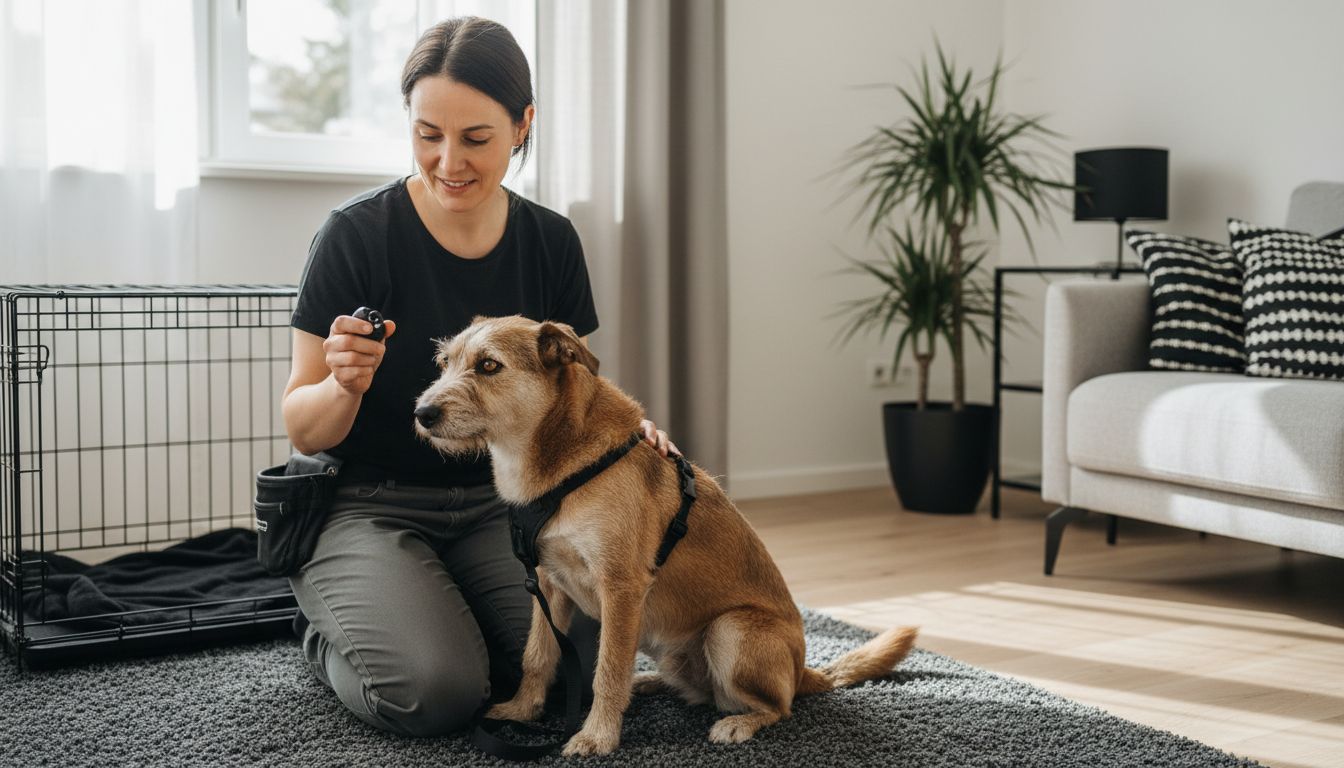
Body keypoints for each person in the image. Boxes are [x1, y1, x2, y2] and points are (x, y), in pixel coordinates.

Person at [281, 16, 674, 737]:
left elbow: (578, 395)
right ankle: (328, 626)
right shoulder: (355, 235)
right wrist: (342, 385)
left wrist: (634, 435)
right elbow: (303, 429)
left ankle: (424, 609)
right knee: (435, 692)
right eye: (428, 134)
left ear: (523, 125)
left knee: (574, 671)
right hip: (367, 503)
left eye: (476, 138)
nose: (448, 161)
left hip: (507, 506)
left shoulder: (550, 241)